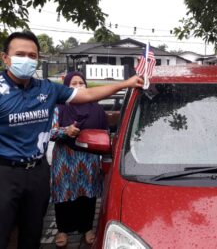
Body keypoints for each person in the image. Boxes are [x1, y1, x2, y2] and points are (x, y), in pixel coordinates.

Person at [0, 31, 143, 249]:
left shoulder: (47, 89)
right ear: (5, 58)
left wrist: (126, 83)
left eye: (32, 55)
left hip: (38, 171)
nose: (26, 60)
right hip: (5, 172)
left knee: (32, 233)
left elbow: (86, 96)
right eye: (20, 54)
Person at [50, 72, 107, 247]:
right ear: (66, 87)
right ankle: (63, 230)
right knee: (64, 195)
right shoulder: (58, 107)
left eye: (81, 83)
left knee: (88, 195)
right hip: (65, 157)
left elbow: (104, 133)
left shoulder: (97, 109)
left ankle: (87, 228)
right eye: (73, 83)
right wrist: (65, 131)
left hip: (89, 158)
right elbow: (50, 133)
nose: (78, 86)